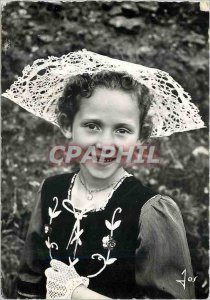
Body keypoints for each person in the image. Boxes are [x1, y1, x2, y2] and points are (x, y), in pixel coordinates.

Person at [2, 50, 205, 299]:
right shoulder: (51, 191)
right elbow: (28, 282)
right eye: (92, 125)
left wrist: (76, 293)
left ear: (140, 137)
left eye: (121, 129)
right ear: (67, 125)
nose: (105, 143)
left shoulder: (151, 211)